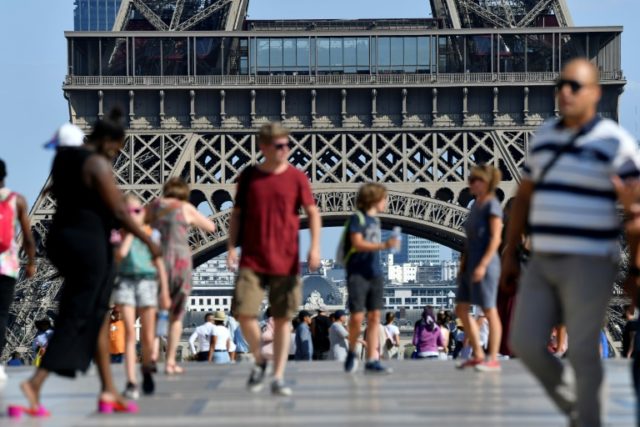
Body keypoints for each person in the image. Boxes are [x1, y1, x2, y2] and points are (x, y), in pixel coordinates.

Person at [503, 59, 640, 427]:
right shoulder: (546, 136)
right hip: (546, 257)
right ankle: (574, 404)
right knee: (527, 344)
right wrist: (509, 250)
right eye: (561, 84)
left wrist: (637, 266)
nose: (565, 92)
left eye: (574, 86)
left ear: (595, 93)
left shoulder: (616, 142)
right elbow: (525, 196)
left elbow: (635, 210)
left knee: (581, 348)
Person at [15, 112, 161, 417]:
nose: (117, 154)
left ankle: (108, 390)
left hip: (63, 241)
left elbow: (55, 193)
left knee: (95, 316)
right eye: (117, 148)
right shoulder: (96, 164)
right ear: (108, 141)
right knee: (77, 315)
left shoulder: (65, 160)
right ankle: (36, 384)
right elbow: (121, 212)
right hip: (89, 247)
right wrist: (147, 241)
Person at [227, 123, 321, 396]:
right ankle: (259, 357)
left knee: (281, 320)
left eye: (287, 145)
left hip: (286, 260)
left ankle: (277, 376)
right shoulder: (249, 177)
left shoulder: (297, 177)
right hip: (253, 259)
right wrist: (231, 246)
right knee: (243, 313)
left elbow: (312, 213)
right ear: (263, 147)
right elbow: (236, 215)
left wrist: (314, 248)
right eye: (279, 146)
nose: (285, 150)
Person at [147, 177, 216, 375]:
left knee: (156, 311)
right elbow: (211, 227)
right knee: (176, 317)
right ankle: (169, 362)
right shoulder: (186, 208)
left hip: (159, 261)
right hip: (181, 263)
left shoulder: (156, 206)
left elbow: (135, 219)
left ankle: (152, 356)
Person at [113, 194, 171, 399]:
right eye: (127, 212)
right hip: (126, 283)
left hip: (147, 283)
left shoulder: (153, 235)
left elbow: (160, 264)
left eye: (136, 211)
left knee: (147, 336)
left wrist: (164, 291)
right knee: (129, 333)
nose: (132, 215)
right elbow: (119, 256)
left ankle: (146, 368)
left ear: (143, 212)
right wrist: (129, 233)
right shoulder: (120, 235)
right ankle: (130, 382)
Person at [343, 183, 398, 374]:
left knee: (375, 317)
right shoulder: (357, 218)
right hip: (357, 273)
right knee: (357, 317)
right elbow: (357, 243)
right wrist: (384, 245)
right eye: (384, 198)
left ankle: (372, 359)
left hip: (375, 273)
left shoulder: (376, 221)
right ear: (374, 199)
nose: (386, 202)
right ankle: (352, 352)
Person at [455, 164, 503, 372]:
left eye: (475, 180)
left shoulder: (492, 205)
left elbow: (495, 239)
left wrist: (483, 265)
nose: (470, 183)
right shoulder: (475, 206)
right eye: (470, 179)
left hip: (486, 264)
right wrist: (463, 265)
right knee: (461, 309)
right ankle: (478, 353)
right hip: (471, 263)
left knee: (490, 311)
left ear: (486, 182)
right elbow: (469, 240)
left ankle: (492, 358)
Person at [0, 158, 36, 381]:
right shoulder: (17, 200)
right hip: (6, 266)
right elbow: (28, 237)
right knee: (2, 314)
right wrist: (31, 262)